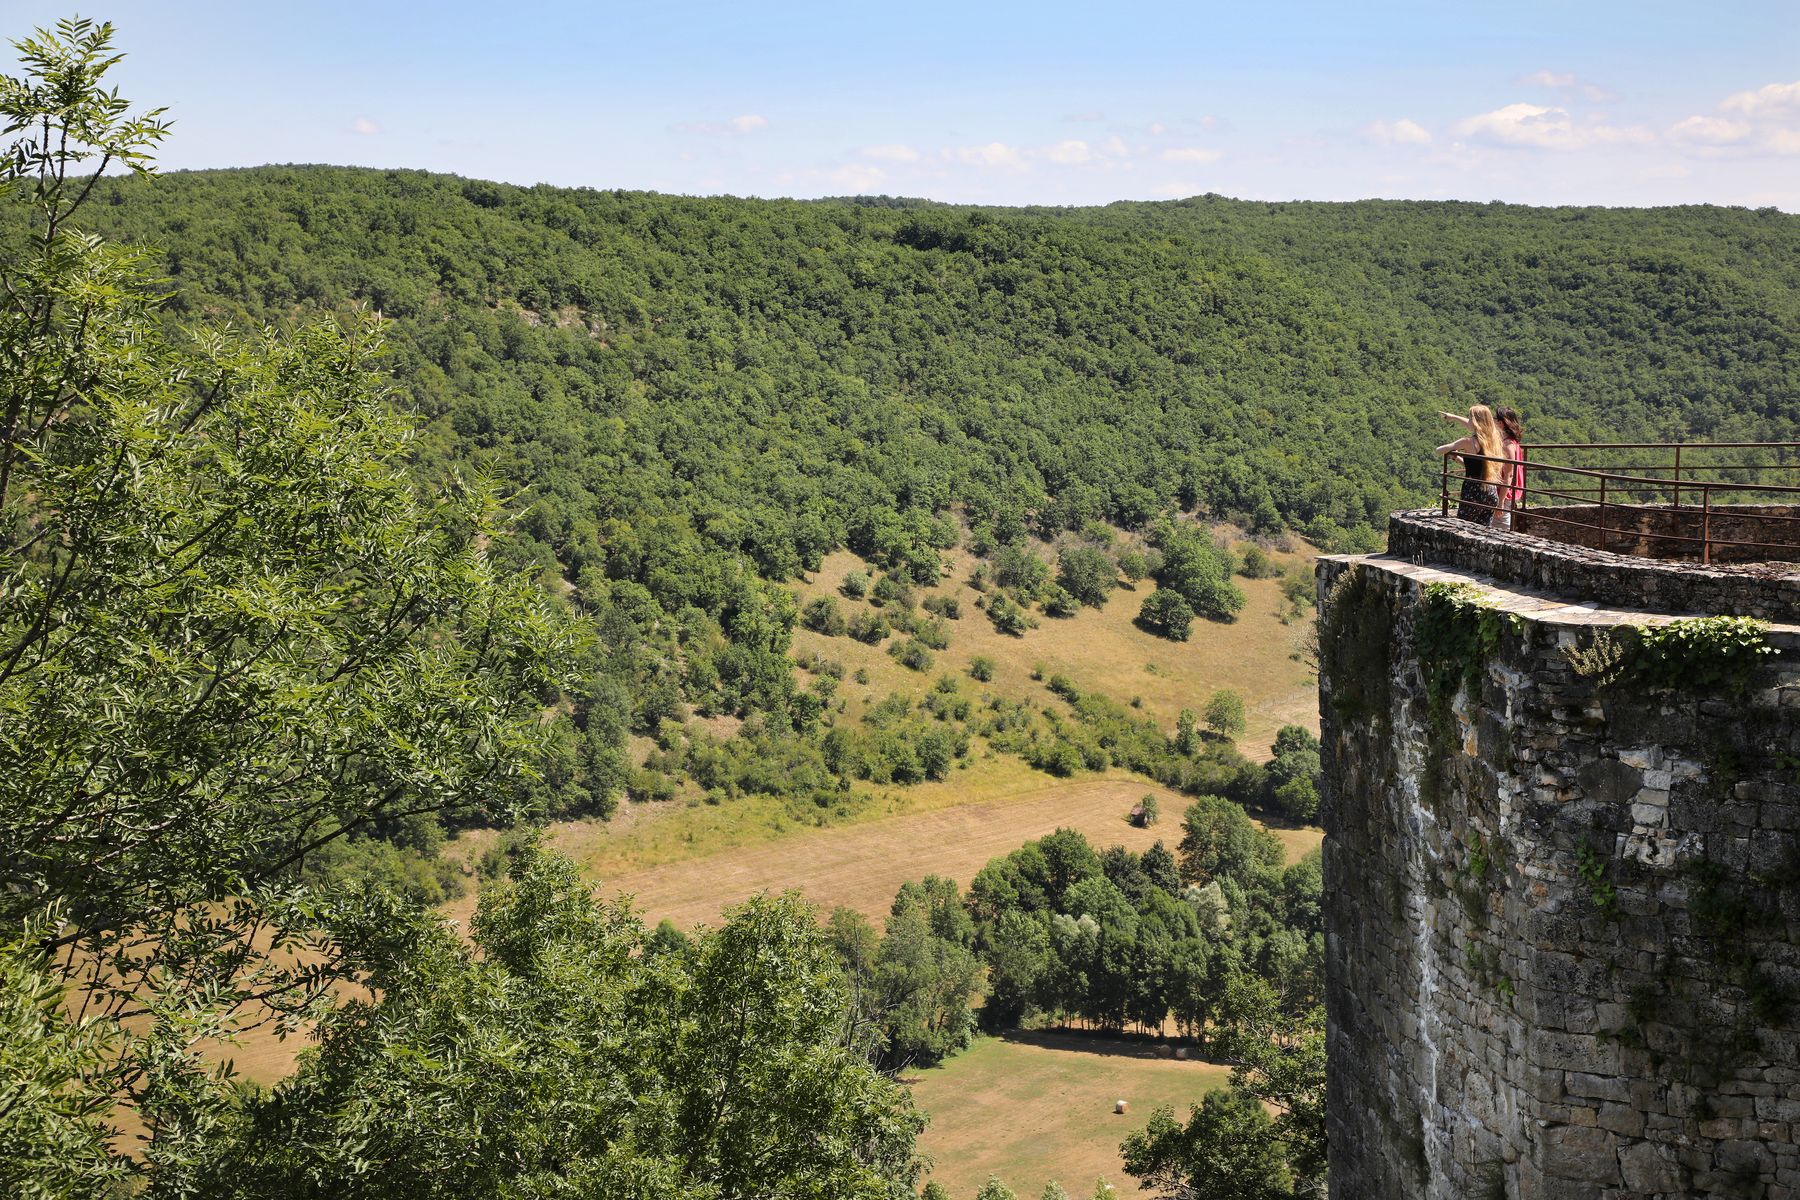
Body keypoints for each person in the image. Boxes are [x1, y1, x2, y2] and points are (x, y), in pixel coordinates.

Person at [1436, 405, 1505, 527]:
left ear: (1474, 421)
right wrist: (1457, 458)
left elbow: (1439, 450)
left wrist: (1450, 450)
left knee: (1464, 528)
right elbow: (1480, 466)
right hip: (1490, 491)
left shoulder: (1468, 442)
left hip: (1473, 491)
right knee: (1483, 532)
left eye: (1470, 418)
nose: (1468, 421)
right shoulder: (1494, 441)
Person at [1495, 407, 1526, 530]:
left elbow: (1509, 475)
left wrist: (1500, 501)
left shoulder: (1507, 445)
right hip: (1510, 491)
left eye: (1496, 419)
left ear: (1501, 423)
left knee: (1501, 524)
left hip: (1505, 492)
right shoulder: (1513, 442)